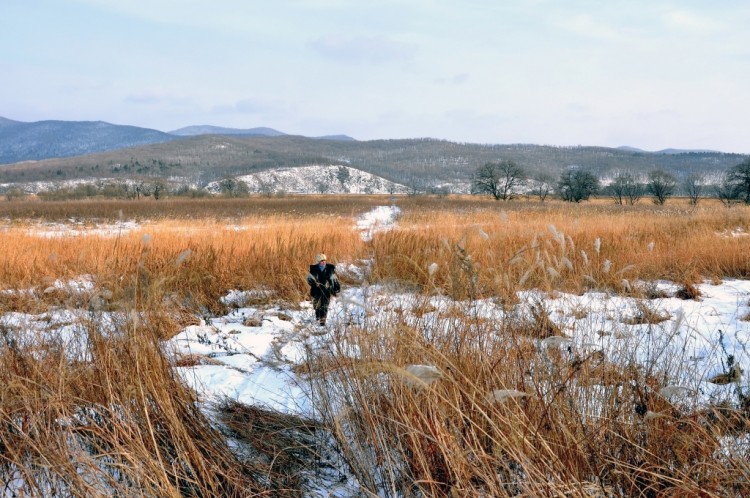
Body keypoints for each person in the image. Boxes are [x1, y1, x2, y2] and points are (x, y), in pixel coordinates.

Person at [306, 253, 340, 326]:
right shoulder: (313, 269)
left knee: (325, 305)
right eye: (321, 261)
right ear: (318, 262)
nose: (324, 262)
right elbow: (309, 279)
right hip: (316, 290)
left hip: (327, 290)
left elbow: (335, 279)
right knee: (316, 305)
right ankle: (318, 315)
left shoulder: (330, 269)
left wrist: (336, 287)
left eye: (324, 260)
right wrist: (314, 284)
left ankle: (322, 320)